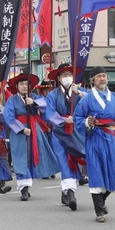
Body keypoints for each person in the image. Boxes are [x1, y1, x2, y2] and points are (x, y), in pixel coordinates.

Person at [74, 66, 115, 223]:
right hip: (95, 137)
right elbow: (77, 118)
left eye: (104, 76)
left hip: (112, 138)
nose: (102, 79)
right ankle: (99, 210)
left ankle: (102, 200)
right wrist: (87, 121)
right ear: (92, 80)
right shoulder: (86, 99)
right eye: (99, 76)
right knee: (96, 170)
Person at [3, 72, 59, 201]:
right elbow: (9, 117)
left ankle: (28, 184)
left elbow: (47, 107)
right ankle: (23, 188)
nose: (24, 86)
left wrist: (33, 103)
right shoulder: (12, 100)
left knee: (32, 156)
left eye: (26, 84)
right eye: (21, 84)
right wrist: (22, 129)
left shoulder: (35, 97)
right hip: (19, 132)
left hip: (34, 129)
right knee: (20, 157)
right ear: (17, 86)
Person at [46, 63, 88, 211]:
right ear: (58, 78)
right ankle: (70, 193)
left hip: (77, 129)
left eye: (70, 74)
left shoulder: (80, 91)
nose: (67, 77)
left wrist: (80, 94)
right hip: (59, 131)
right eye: (64, 75)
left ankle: (67, 191)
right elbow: (50, 113)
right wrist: (64, 120)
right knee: (64, 160)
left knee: (80, 157)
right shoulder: (52, 95)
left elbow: (91, 103)